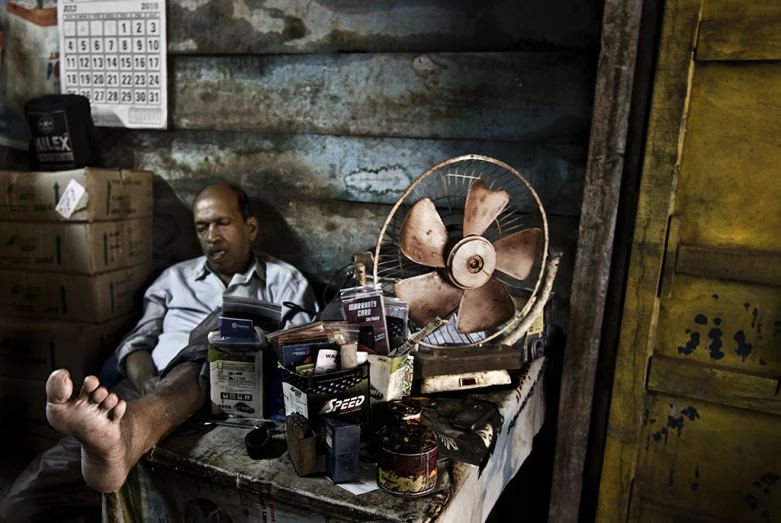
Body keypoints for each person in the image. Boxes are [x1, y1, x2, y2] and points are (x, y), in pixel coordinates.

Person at [0, 184, 318, 521]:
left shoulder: (286, 282)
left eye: (222, 223)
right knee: (18, 505)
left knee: (224, 327)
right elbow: (137, 344)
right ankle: (126, 433)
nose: (212, 236)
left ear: (250, 228)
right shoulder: (174, 279)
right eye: (202, 227)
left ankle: (133, 431)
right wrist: (148, 381)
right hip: (142, 392)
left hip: (230, 398)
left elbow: (298, 354)